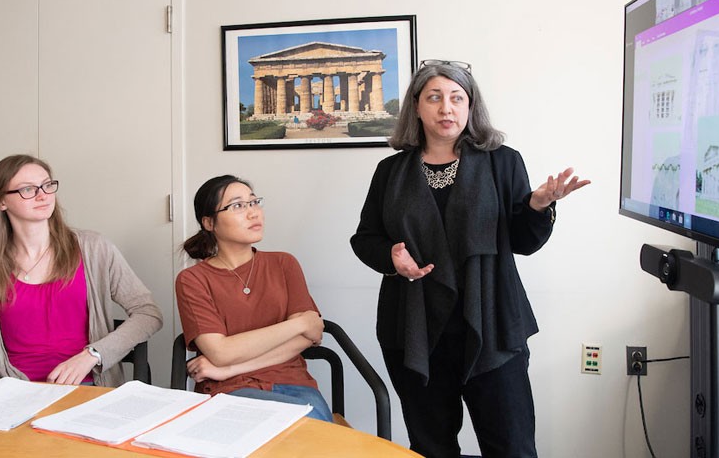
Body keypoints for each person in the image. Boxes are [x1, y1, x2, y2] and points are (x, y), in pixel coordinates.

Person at [350, 60, 590, 457]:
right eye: (435, 97)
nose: (446, 108)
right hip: (415, 331)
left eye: (457, 98)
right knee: (430, 447)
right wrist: (391, 256)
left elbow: (524, 242)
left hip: (492, 324)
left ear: (470, 106)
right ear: (416, 107)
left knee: (511, 446)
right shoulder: (390, 171)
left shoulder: (502, 161)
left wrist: (537, 205)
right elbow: (365, 239)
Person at [0, 154, 163, 386]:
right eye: (28, 189)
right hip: (11, 393)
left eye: (47, 185)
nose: (42, 195)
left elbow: (148, 314)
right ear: (0, 202)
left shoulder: (93, 249)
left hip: (87, 389)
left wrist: (93, 355)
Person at [176, 175, 332, 422]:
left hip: (293, 383)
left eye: (254, 202)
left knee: (314, 430)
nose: (253, 213)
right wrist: (299, 323)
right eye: (237, 205)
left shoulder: (283, 263)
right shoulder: (192, 279)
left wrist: (229, 368)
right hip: (229, 390)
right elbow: (220, 352)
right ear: (209, 222)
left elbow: (306, 339)